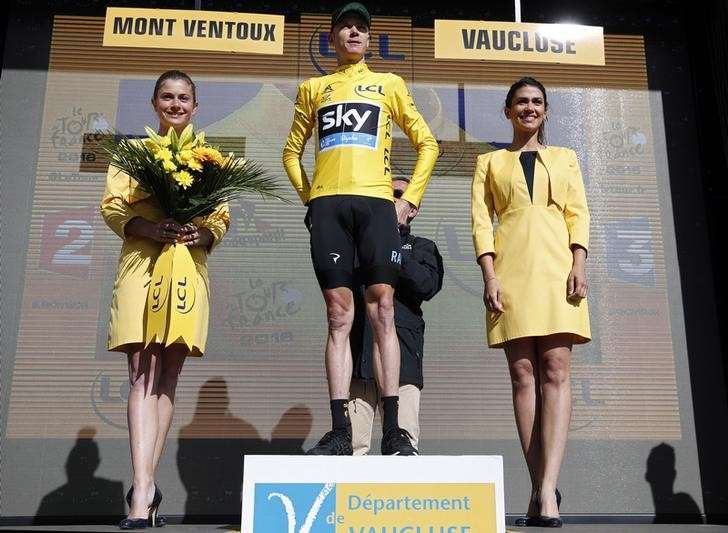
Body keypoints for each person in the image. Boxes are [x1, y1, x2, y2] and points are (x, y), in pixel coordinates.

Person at [283, 2, 439, 455]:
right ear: (332, 38)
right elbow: (290, 153)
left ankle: (394, 430)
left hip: (375, 206)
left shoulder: (389, 84)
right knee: (337, 316)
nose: (353, 33)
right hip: (329, 206)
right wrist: (310, 198)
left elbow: (427, 143)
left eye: (361, 28)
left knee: (384, 311)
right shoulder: (314, 87)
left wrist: (410, 199)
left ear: (369, 39)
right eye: (344, 27)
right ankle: (339, 430)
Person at [100, 70, 229, 529]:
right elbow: (113, 206)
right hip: (140, 264)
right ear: (155, 103)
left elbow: (221, 216)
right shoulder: (133, 152)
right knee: (142, 368)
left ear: (195, 106)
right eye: (167, 97)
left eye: (183, 98)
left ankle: (144, 486)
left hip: (186, 268)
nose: (175, 105)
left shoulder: (210, 158)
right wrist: (151, 228)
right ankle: (142, 493)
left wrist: (202, 231)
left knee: (169, 370)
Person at [471, 77, 590, 528]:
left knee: (556, 371)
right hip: (511, 273)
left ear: (546, 110)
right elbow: (482, 223)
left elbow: (579, 211)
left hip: (559, 268)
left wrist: (579, 264)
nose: (529, 108)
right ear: (507, 111)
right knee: (523, 376)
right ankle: (540, 486)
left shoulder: (566, 158)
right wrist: (490, 275)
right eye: (521, 101)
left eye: (537, 102)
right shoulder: (488, 162)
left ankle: (547, 494)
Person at [349, 176, 443, 455]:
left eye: (398, 194)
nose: (390, 198)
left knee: (403, 450)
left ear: (412, 208)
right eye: (384, 192)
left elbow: (427, 285)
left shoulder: (423, 247)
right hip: (359, 365)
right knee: (354, 450)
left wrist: (393, 248)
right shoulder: (355, 245)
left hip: (403, 363)